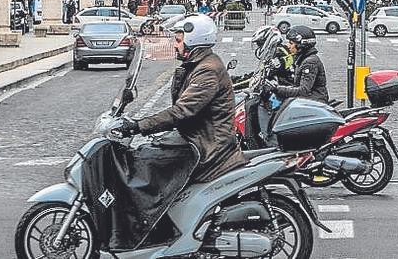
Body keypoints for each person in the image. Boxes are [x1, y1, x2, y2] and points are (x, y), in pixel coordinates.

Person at [114, 16, 247, 183]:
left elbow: (181, 111)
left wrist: (138, 126)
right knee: (150, 151)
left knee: (145, 161)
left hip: (208, 146)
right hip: (198, 137)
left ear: (193, 40)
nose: (175, 45)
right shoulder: (199, 64)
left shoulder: (207, 70)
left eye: (178, 40)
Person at [267, 26, 328, 104]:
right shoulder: (302, 58)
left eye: (291, 43)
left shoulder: (310, 62)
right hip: (308, 100)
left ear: (302, 45)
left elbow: (303, 91)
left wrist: (276, 89)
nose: (288, 46)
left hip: (314, 101)